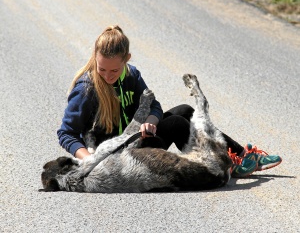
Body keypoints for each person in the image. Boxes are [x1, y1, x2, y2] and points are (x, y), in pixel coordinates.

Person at [57, 25, 282, 178]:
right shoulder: (86, 88)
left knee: (185, 110)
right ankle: (221, 164)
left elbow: (154, 105)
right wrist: (90, 160)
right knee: (175, 124)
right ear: (94, 58)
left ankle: (241, 155)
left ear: (127, 60)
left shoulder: (132, 75)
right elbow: (66, 133)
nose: (107, 75)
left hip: (137, 136)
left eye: (114, 70)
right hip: (118, 156)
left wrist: (152, 121)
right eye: (102, 68)